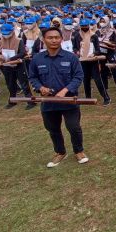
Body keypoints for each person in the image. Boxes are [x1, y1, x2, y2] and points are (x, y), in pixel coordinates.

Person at [28, 27, 88, 168]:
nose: (54, 40)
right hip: (49, 103)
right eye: (50, 37)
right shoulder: (37, 59)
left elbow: (78, 76)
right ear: (44, 39)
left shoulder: (71, 57)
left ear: (61, 39)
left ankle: (79, 151)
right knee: (53, 128)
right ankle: (60, 152)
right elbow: (33, 77)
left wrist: (66, 90)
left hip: (69, 101)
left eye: (57, 37)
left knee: (74, 127)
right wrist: (40, 88)